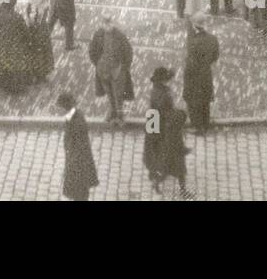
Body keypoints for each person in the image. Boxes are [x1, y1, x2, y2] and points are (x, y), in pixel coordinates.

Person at [143, 67, 188, 195]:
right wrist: (182, 115)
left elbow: (153, 115)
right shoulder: (164, 95)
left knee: (158, 158)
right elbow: (169, 114)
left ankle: (156, 181)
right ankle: (182, 188)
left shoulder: (155, 91)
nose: (169, 81)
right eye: (167, 79)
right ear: (163, 80)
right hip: (169, 132)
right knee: (177, 161)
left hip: (157, 128)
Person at [88, 15, 134, 122]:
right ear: (102, 24)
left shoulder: (120, 36)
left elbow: (128, 51)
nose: (108, 25)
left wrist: (124, 66)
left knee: (118, 93)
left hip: (118, 70)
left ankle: (120, 114)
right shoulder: (98, 35)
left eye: (109, 23)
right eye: (105, 23)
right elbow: (92, 50)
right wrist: (98, 63)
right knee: (108, 92)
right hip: (103, 70)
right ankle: (112, 111)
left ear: (113, 23)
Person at [57, 91, 99, 201]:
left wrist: (70, 166)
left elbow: (79, 147)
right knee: (79, 193)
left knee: (80, 193)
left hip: (79, 166)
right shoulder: (73, 116)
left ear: (66, 106)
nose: (59, 110)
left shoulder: (77, 122)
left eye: (60, 106)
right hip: (76, 164)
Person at [182, 14, 220, 131]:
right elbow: (215, 56)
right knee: (205, 100)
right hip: (206, 74)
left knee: (193, 102)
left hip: (193, 74)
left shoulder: (192, 41)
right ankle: (205, 124)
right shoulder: (213, 39)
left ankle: (197, 127)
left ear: (195, 25)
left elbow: (190, 59)